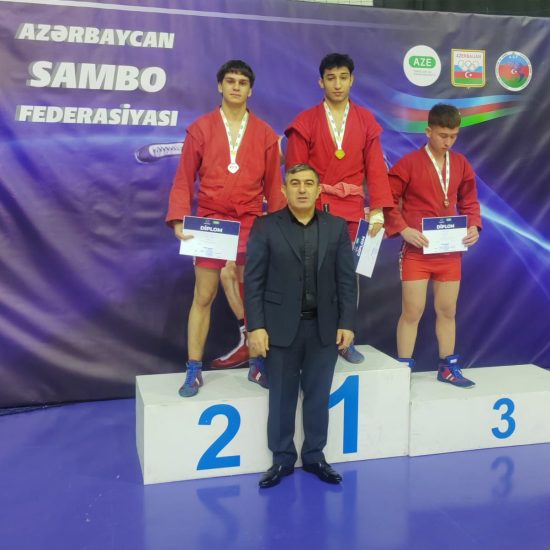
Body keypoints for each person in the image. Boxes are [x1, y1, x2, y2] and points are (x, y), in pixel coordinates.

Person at [166, 59, 285, 397]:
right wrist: (178, 217)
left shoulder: (264, 133)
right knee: (203, 296)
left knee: (253, 296)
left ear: (250, 90)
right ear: (220, 85)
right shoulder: (201, 128)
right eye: (230, 81)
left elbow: (274, 187)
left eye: (242, 82)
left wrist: (280, 227)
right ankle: (193, 369)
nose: (236, 87)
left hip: (251, 222)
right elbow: (184, 178)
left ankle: (257, 363)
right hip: (211, 222)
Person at [245, 163, 357, 488]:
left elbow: (346, 280)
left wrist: (347, 322)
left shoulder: (336, 227)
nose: (302, 189)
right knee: (281, 397)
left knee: (318, 396)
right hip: (279, 329)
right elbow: (253, 282)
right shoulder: (265, 226)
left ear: (319, 189)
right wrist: (256, 327)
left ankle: (315, 456)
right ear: (284, 190)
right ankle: (281, 459)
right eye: (295, 183)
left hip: (324, 327)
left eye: (309, 183)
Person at [285, 53, 394, 364]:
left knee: (349, 276)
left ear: (351, 80)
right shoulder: (305, 121)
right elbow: (295, 170)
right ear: (321, 82)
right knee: (310, 275)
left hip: (352, 211)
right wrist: (297, 211)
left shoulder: (366, 121)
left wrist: (377, 209)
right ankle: (310, 339)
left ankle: (346, 339)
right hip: (315, 209)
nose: (337, 84)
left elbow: (376, 168)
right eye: (330, 78)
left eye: (343, 77)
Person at [384, 104, 482, 387]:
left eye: (453, 136)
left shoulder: (461, 163)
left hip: (449, 253)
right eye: (442, 135)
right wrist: (403, 229)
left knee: (447, 311)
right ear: (428, 131)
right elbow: (388, 201)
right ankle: (402, 372)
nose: (448, 141)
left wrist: (474, 225)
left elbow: (470, 200)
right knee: (412, 311)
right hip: (417, 252)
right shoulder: (408, 164)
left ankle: (448, 367)